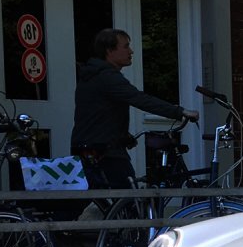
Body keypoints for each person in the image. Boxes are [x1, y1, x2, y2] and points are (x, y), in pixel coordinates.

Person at [70, 28, 198, 188]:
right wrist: (180, 111)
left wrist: (123, 136)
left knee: (99, 197)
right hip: (104, 152)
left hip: (90, 148)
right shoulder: (107, 77)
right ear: (109, 51)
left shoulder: (93, 76)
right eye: (125, 46)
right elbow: (140, 99)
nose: (131, 51)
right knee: (129, 199)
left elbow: (98, 115)